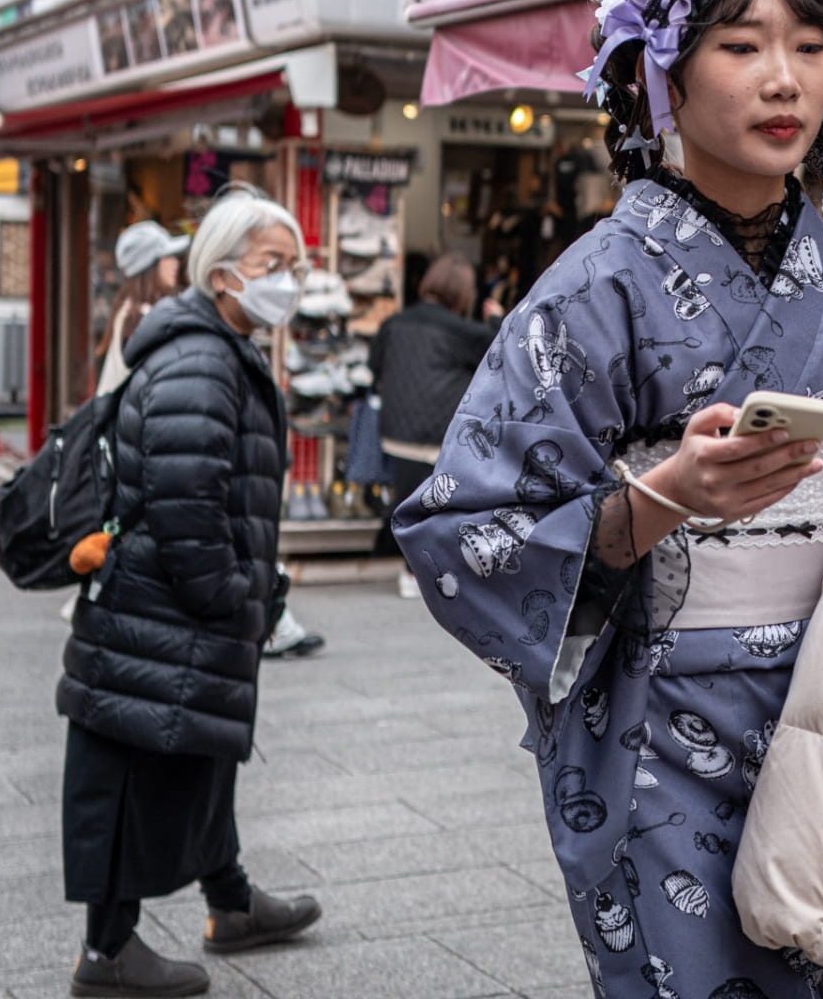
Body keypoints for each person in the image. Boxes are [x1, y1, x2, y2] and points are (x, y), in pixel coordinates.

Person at [393, 0, 823, 992]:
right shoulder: (593, 291)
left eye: (810, 44)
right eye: (741, 45)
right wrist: (653, 503)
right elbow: (458, 531)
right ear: (667, 78)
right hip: (662, 734)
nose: (784, 78)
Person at [59, 186, 322, 998]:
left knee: (200, 758)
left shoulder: (219, 345)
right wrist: (236, 593)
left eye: (296, 266)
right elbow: (185, 509)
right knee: (138, 775)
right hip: (159, 618)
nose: (289, 281)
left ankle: (231, 903)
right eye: (272, 265)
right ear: (220, 273)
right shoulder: (201, 361)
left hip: (174, 616)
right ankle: (107, 954)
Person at [369, 252, 497, 597]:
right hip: (438, 434)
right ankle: (428, 571)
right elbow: (500, 356)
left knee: (410, 499)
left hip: (396, 431)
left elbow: (374, 365)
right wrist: (496, 319)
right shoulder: (464, 332)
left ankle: (411, 569)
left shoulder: (394, 323)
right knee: (442, 504)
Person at [95, 218, 188, 395]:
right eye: (167, 256)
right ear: (149, 265)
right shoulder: (139, 318)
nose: (175, 262)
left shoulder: (132, 310)